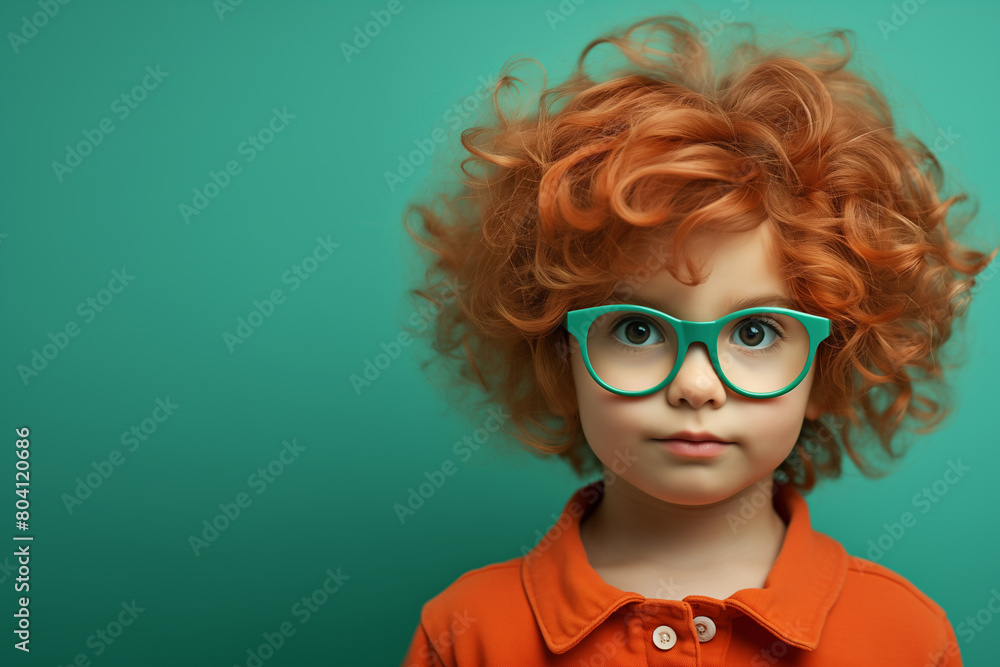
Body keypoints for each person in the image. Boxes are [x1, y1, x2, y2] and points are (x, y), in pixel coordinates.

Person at [398, 13, 996, 666]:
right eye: (637, 327)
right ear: (557, 352)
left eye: (756, 330)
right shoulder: (467, 632)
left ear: (826, 366)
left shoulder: (902, 637)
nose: (695, 385)